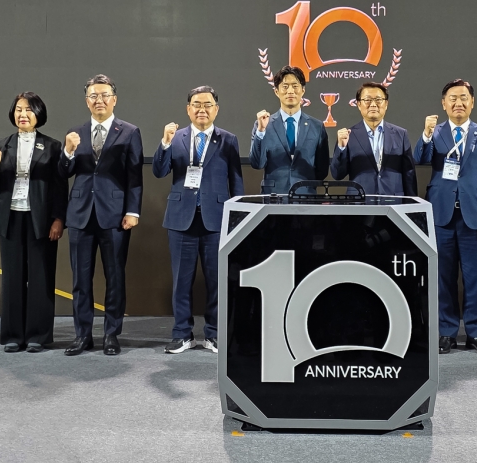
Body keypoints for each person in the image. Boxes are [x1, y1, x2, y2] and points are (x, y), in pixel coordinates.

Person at [152, 86, 244, 354]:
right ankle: (182, 334)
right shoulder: (176, 137)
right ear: (188, 109)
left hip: (216, 220)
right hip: (181, 219)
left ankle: (214, 334)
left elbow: (236, 181)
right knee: (181, 281)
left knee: (216, 281)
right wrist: (164, 143)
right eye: (196, 104)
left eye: (207, 104)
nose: (201, 109)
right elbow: (159, 171)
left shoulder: (228, 140)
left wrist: (237, 217)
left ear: (216, 109)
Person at [415, 79, 477, 355]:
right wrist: (426, 134)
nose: (458, 103)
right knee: (444, 278)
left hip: (475, 215)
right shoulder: (435, 132)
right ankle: (447, 332)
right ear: (444, 104)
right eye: (452, 98)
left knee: (474, 278)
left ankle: (476, 333)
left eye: (464, 97)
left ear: (472, 102)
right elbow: (420, 158)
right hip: (441, 216)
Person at [59, 74, 143, 356]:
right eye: (94, 96)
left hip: (115, 216)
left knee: (115, 277)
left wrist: (132, 211)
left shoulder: (129, 132)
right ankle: (82, 335)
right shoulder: (75, 133)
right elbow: (64, 172)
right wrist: (68, 152)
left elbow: (135, 176)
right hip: (80, 215)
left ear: (114, 99)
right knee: (80, 280)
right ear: (87, 101)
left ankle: (111, 334)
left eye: (105, 95)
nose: (99, 100)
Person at [0, 92, 67, 353]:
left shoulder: (53, 146)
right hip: (10, 217)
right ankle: (12, 334)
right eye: (19, 109)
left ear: (39, 114)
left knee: (41, 277)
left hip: (40, 219)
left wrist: (59, 219)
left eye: (29, 110)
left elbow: (60, 187)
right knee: (12, 278)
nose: (23, 114)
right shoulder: (2, 144)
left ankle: (38, 335)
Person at [249, 65, 329, 194]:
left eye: (295, 86)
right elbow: (257, 163)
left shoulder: (317, 127)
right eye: (285, 86)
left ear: (303, 90)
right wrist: (261, 131)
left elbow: (322, 170)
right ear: (276, 91)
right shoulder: (263, 124)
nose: (290, 91)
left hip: (305, 196)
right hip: (273, 196)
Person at [330, 82, 417, 197]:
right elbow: (337, 175)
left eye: (378, 100)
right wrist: (341, 147)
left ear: (386, 104)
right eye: (367, 100)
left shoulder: (401, 134)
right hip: (360, 201)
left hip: (393, 201)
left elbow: (409, 174)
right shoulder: (349, 135)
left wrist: (412, 202)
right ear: (359, 104)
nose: (373, 104)